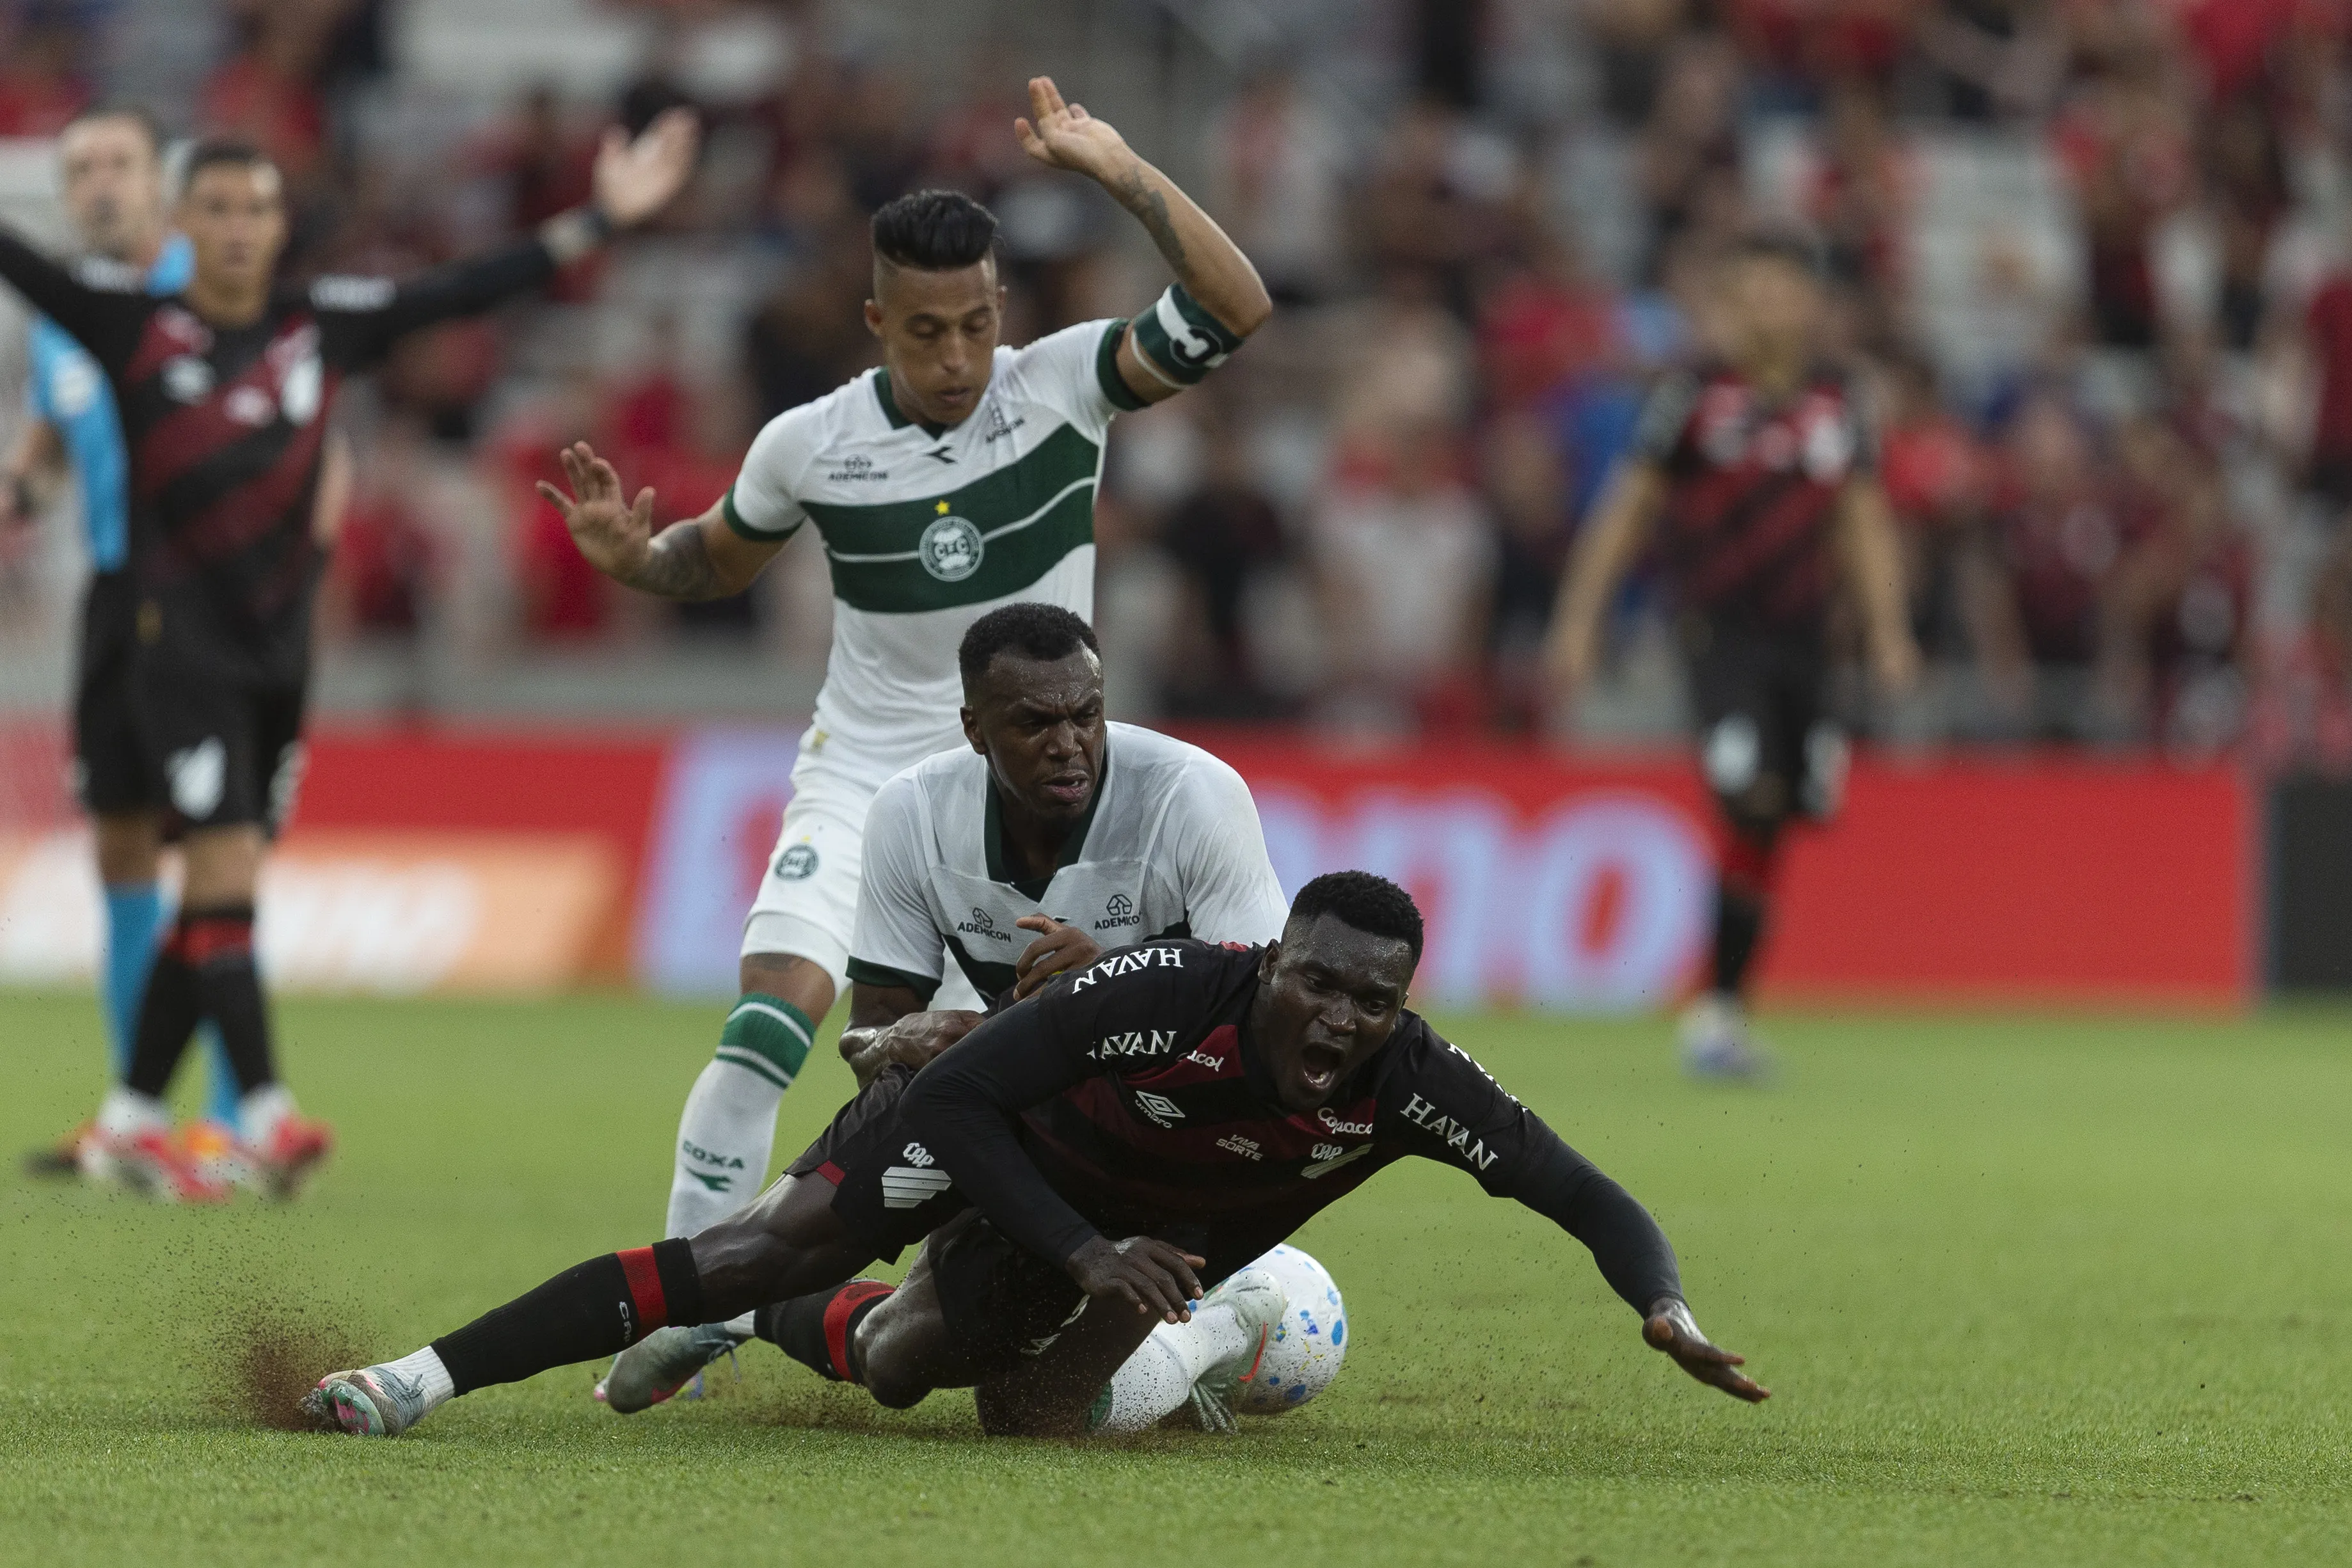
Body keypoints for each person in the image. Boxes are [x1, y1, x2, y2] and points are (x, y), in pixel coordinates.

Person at [534, 76, 1272, 1247]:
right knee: (771, 1023)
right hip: (867, 776)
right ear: (877, 323)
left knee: (997, 1092)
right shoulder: (812, 445)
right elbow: (713, 563)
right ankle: (684, 1311)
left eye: (978, 322)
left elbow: (1236, 307)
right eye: (928, 330)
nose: (960, 354)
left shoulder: (1061, 389)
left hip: (1033, 796)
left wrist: (1124, 173)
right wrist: (636, 558)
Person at [306, 872, 1767, 1439]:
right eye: (1315, 983)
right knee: (749, 1243)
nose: (1337, 1020)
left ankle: (1227, 1322)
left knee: (927, 1380)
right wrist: (1076, 1246)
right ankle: (415, 1380)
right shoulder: (1163, 990)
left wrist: (1664, 1304)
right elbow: (959, 1103)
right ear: (1269, 962)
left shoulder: (1408, 1084)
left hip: (1109, 1242)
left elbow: (1583, 1190)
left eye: (1369, 1000)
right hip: (990, 1148)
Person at [0, 110, 701, 1201]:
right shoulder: (128, 327)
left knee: (219, 893)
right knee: (222, 868)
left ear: (282, 228)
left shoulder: (319, 326)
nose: (237, 228)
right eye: (218, 210)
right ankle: (268, 1112)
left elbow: (464, 290)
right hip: (170, 648)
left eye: (256, 210)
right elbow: (24, 263)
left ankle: (135, 1113)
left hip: (280, 657)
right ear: (185, 223)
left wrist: (599, 219)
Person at [592, 599, 1293, 1425]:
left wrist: (1114, 983)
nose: (1070, 741)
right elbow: (870, 1039)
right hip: (1009, 1113)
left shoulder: (1193, 796)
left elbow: (1266, 1031)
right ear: (974, 727)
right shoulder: (915, 812)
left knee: (1029, 1411)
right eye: (1036, 721)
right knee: (898, 1363)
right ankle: (742, 1310)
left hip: (1164, 1144)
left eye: (1087, 715)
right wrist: (901, 1037)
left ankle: (1207, 1328)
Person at [1544, 233, 1919, 1078]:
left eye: (1780, 292)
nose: (1764, 309)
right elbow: (1627, 509)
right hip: (1719, 636)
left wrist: (1888, 631)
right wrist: (1579, 620)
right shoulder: (1692, 398)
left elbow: (1862, 521)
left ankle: (1726, 1010)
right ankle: (1714, 1015)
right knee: (1745, 790)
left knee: (1782, 812)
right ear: (1726, 305)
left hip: (1808, 643)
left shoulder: (1837, 401)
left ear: (1810, 305)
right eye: (1747, 293)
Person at [3, 104, 242, 1180]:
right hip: (111, 594)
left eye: (119, 166)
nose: (99, 184)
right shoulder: (65, 315)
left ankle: (235, 1122)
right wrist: (20, 481)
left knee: (218, 849)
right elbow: (54, 429)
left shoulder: (218, 287)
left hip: (210, 593)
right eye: (82, 168)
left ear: (160, 183)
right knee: (121, 843)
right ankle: (136, 1118)